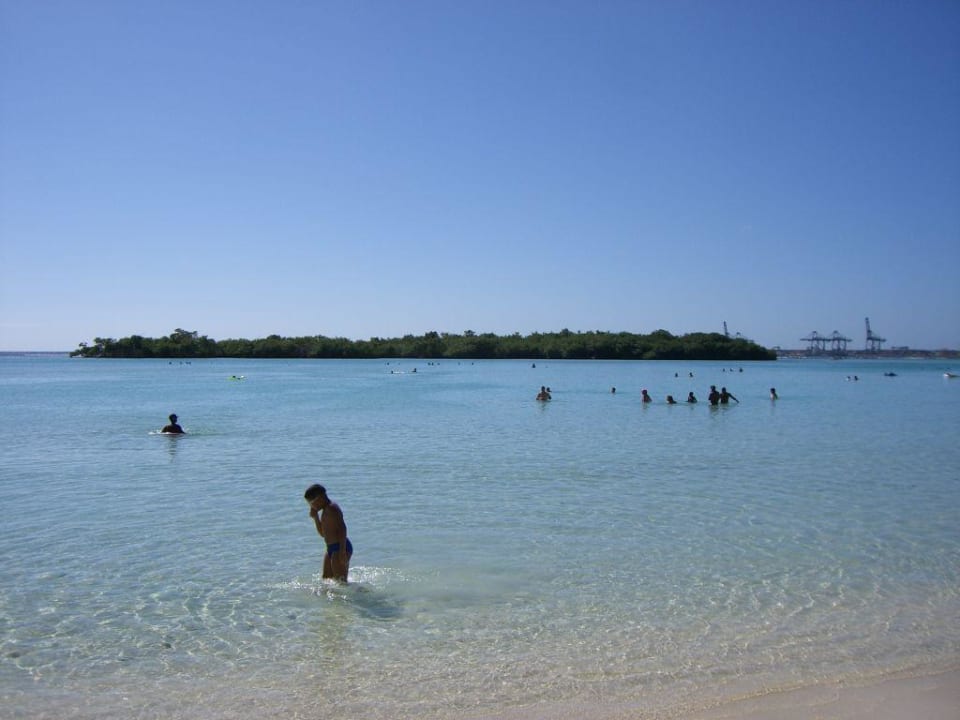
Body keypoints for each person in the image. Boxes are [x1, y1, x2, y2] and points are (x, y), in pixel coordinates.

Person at [304, 483, 352, 582]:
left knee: (341, 582)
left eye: (311, 503)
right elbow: (323, 534)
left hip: (340, 547)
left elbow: (342, 529)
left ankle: (363, 594)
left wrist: (342, 551)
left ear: (320, 498)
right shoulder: (324, 512)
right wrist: (316, 518)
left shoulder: (332, 508)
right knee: (326, 581)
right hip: (331, 548)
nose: (311, 507)